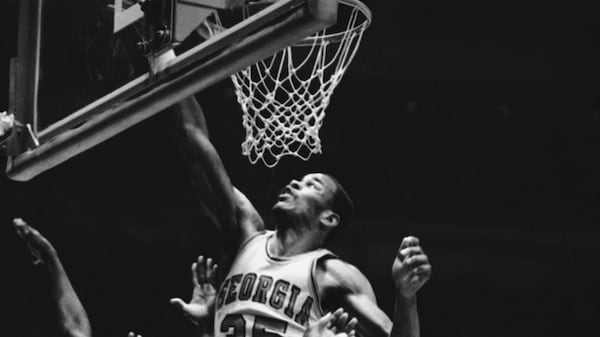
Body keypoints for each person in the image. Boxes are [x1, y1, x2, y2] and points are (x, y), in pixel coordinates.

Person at [169, 85, 432, 337]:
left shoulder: (333, 274)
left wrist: (405, 297)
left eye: (312, 185)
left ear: (328, 218)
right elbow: (195, 144)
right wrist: (170, 64)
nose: (294, 183)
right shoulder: (246, 234)